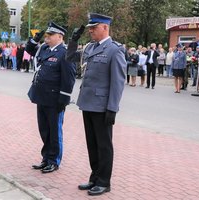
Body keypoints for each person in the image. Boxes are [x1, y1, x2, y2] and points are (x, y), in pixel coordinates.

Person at [66, 13, 126, 196]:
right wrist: (73, 40)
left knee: (104, 145)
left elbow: (118, 82)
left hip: (102, 107)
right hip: (88, 103)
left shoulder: (115, 50)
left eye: (94, 27)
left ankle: (104, 181)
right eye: (90, 27)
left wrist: (112, 108)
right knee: (92, 144)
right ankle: (95, 177)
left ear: (105, 27)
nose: (90, 30)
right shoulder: (90, 48)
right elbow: (70, 57)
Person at [26, 22, 76, 173]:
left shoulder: (65, 53)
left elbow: (69, 78)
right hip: (41, 96)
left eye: (50, 35)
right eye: (46, 35)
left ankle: (54, 161)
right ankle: (46, 158)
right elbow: (29, 50)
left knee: (55, 132)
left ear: (60, 37)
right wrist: (35, 39)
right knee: (44, 130)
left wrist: (64, 99)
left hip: (55, 100)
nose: (47, 37)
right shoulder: (45, 49)